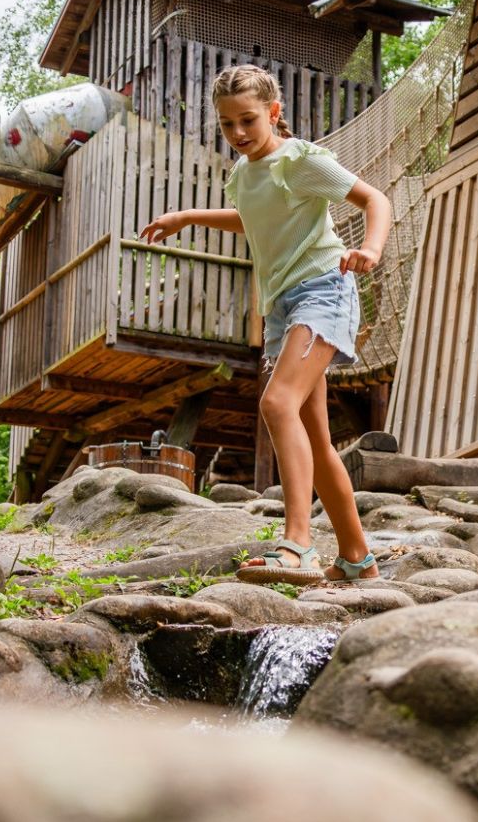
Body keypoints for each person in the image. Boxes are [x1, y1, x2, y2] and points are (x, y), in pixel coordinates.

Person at [139, 65, 390, 584]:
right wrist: (187, 217)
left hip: (324, 290)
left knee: (277, 404)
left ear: (273, 113)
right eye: (227, 124)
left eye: (248, 120)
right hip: (282, 307)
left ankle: (298, 545)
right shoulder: (245, 173)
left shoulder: (300, 161)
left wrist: (370, 248)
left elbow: (375, 199)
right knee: (315, 438)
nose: (238, 132)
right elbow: (253, 218)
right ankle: (357, 558)